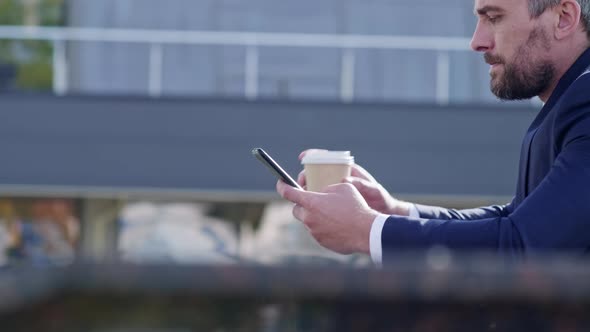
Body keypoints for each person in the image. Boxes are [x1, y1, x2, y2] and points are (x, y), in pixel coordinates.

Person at [276, 0, 590, 264]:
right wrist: (394, 212)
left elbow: (522, 245)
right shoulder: (572, 99)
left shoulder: (584, 98)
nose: (477, 41)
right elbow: (515, 219)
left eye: (494, 18)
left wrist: (367, 230)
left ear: (563, 18)